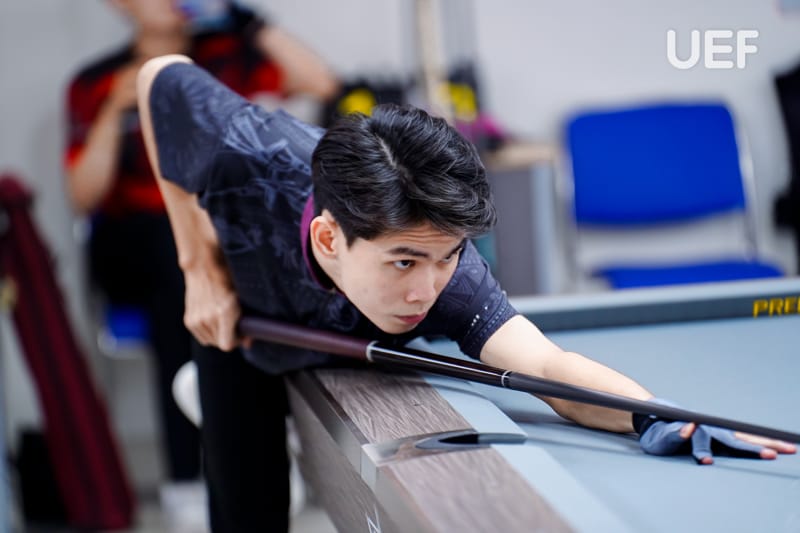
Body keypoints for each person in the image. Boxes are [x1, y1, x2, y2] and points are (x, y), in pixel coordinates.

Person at [136, 55, 797, 532]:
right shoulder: (249, 150)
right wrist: (198, 268)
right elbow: (159, 76)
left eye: (447, 255)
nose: (426, 287)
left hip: (347, 328)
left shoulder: (451, 280)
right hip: (247, 309)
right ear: (330, 238)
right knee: (247, 507)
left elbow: (544, 367)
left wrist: (659, 415)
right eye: (403, 261)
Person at [63, 0, 337, 504]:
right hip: (139, 244)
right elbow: (83, 195)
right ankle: (192, 471)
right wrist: (114, 111)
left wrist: (243, 18)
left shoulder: (228, 56)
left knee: (291, 239)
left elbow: (321, 83)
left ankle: (261, 427)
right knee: (178, 264)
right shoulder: (97, 82)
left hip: (226, 232)